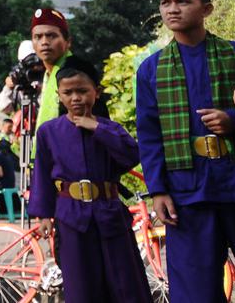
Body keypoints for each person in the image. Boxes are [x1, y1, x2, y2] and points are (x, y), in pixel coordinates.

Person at [136, 0, 235, 302]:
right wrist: (157, 189)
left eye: (182, 1)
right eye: (165, 2)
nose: (172, 9)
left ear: (207, 9)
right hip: (187, 194)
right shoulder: (151, 70)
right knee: (194, 293)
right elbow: (149, 135)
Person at [31, 61, 151, 302]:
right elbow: (42, 175)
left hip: (111, 215)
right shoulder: (48, 131)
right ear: (59, 95)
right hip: (71, 218)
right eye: (68, 92)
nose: (76, 98)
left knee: (125, 284)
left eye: (82, 91)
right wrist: (43, 215)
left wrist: (96, 127)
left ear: (96, 92)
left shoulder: (109, 128)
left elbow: (131, 155)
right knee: (81, 287)